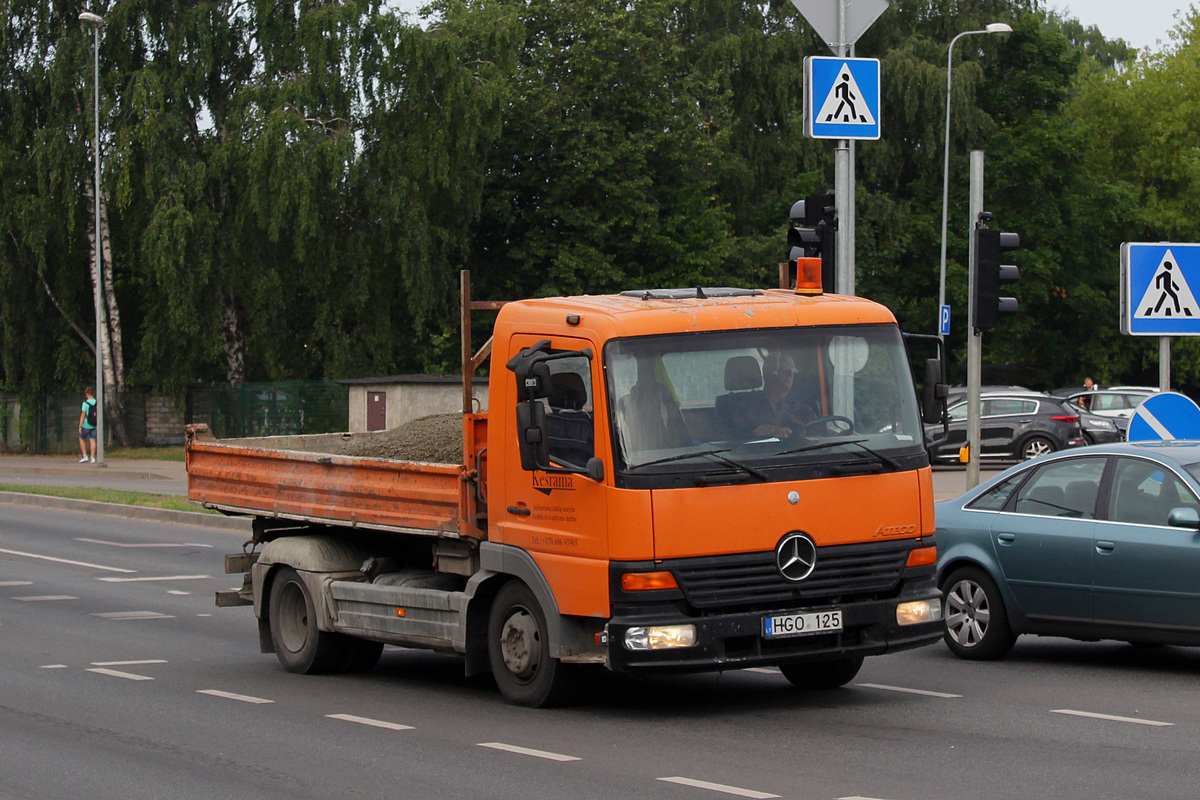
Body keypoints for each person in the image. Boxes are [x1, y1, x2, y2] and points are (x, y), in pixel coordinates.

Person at [724, 352, 815, 440]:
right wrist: (761, 432)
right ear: (769, 372)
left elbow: (822, 434)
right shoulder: (744, 408)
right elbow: (733, 439)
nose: (790, 374)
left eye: (793, 370)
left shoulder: (802, 410)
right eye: (786, 368)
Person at [78, 387, 97, 463]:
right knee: (92, 440)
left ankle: (85, 455)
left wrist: (80, 425)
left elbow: (83, 415)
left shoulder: (85, 403)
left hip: (86, 424)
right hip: (95, 424)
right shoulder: (97, 402)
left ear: (87, 394)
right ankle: (92, 457)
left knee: (81, 438)